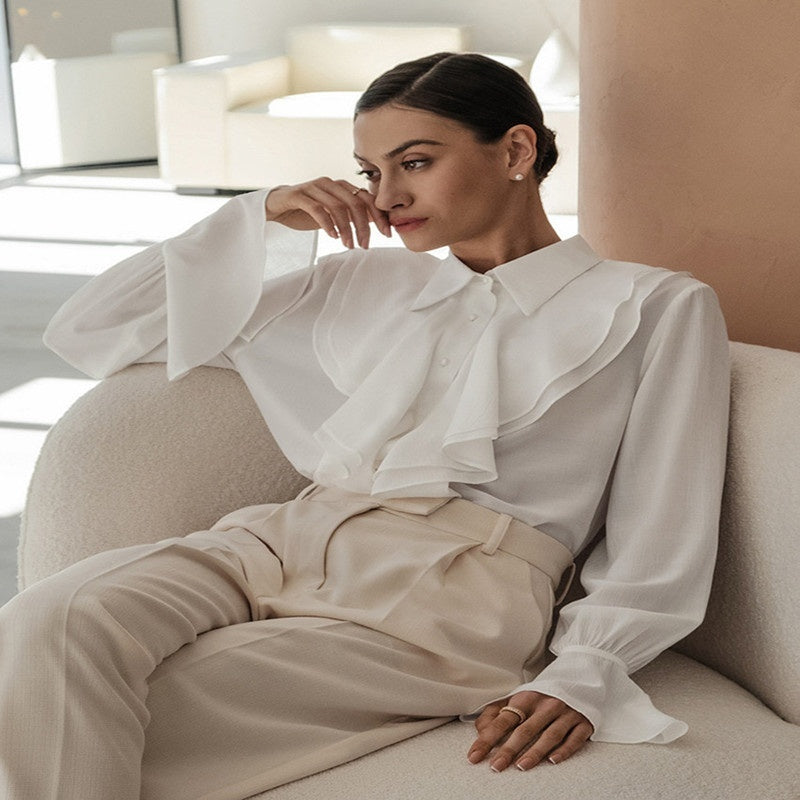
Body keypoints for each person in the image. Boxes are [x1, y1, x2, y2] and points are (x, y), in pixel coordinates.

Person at [0, 52, 729, 799]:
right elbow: (92, 330)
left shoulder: (653, 307)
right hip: (276, 540)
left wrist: (587, 669)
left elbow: (663, 522)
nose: (385, 196)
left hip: (453, 600)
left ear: (516, 150)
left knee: (77, 715)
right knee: (48, 625)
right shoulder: (358, 281)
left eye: (414, 162)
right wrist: (261, 214)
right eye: (369, 171)